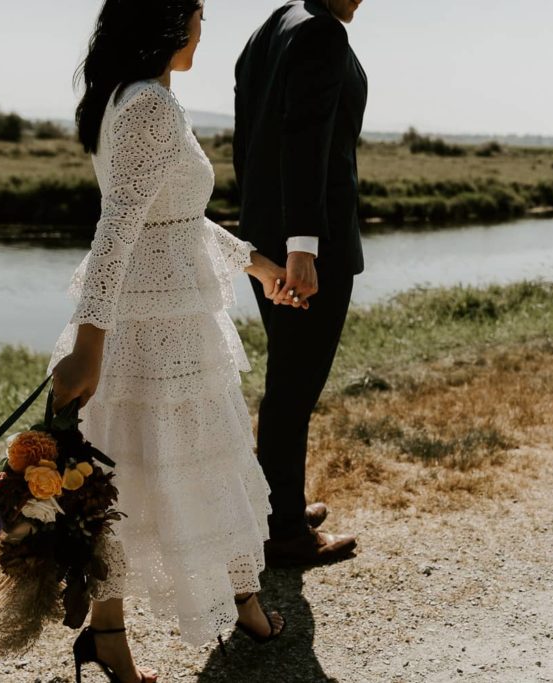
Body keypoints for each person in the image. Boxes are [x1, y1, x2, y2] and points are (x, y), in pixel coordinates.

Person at [51, 2, 290, 680]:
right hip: (150, 333)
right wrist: (91, 341)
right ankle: (230, 605)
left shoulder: (125, 99)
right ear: (166, 22)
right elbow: (118, 230)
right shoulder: (150, 106)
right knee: (189, 465)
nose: (201, 31)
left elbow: (177, 220)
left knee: (136, 475)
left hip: (163, 321)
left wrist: (258, 264)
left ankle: (145, 627)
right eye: (197, 16)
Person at [233, 0, 368, 567]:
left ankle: (277, 505)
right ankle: (284, 530)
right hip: (307, 249)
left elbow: (250, 138)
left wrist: (263, 232)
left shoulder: (276, 22)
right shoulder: (321, 34)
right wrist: (302, 246)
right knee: (294, 386)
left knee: (286, 379)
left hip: (268, 235)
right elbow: (304, 140)